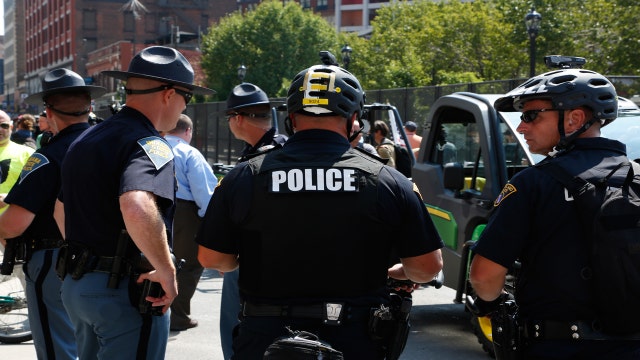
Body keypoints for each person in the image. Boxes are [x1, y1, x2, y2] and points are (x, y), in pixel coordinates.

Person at [197, 63, 443, 359]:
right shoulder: (389, 181)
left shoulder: (244, 176)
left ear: (291, 118)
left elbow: (212, 258)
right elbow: (427, 268)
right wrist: (396, 272)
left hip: (264, 339)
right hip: (355, 339)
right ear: (354, 119)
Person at [55, 45, 215, 359]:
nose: (185, 105)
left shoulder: (87, 136)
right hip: (123, 293)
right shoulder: (151, 143)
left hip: (78, 285)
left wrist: (88, 260)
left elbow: (61, 209)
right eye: (188, 96)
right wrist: (166, 269)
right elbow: (136, 203)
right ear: (169, 94)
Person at [469, 68, 640, 359]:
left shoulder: (531, 183)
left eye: (531, 115)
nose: (522, 127)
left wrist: (491, 302)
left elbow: (484, 277)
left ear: (574, 119)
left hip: (557, 346)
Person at [0, 68, 107, 359]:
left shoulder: (48, 155)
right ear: (90, 106)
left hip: (53, 260)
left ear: (48, 110)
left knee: (58, 347)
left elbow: (13, 225)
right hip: (106, 263)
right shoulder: (110, 147)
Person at [219, 82, 287, 360]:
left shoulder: (266, 155)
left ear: (237, 118)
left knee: (236, 333)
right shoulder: (277, 149)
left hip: (252, 260)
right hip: (276, 258)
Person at [164, 113, 217, 331]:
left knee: (156, 259)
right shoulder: (189, 153)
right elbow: (203, 190)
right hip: (185, 212)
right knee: (188, 265)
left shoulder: (153, 147)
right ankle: (178, 315)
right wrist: (210, 219)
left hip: (154, 208)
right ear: (188, 131)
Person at [0, 112, 34, 213]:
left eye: (4, 125)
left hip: (14, 223)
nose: (0, 129)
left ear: (11, 127)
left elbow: (38, 189)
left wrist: (11, 197)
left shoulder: (28, 154)